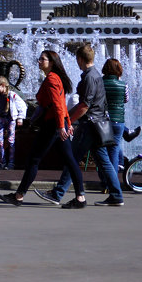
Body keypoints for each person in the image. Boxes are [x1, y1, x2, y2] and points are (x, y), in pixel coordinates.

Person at [0, 50, 87, 207]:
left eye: (43, 59)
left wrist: (62, 126)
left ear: (51, 62)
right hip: (57, 124)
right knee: (70, 160)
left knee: (34, 159)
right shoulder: (55, 78)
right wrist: (67, 123)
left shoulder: (52, 79)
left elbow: (58, 105)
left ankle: (18, 196)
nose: (39, 61)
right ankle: (80, 198)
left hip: (52, 125)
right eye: (39, 58)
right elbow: (61, 104)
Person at [38, 44, 123, 207]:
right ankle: (116, 195)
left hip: (89, 125)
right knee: (103, 160)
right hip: (97, 123)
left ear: (80, 59)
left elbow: (84, 105)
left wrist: (68, 120)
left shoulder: (90, 76)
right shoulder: (95, 74)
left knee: (73, 158)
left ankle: (58, 193)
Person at [0, 75, 27, 170]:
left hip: (11, 120)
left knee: (11, 140)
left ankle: (11, 163)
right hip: (1, 119)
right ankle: (1, 162)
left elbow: (23, 106)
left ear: (3, 85)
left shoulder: (12, 95)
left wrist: (20, 118)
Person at [102, 58, 129, 172]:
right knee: (114, 150)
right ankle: (113, 182)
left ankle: (105, 181)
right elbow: (126, 100)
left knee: (104, 151)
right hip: (118, 121)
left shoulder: (100, 83)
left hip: (104, 121)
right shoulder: (123, 85)